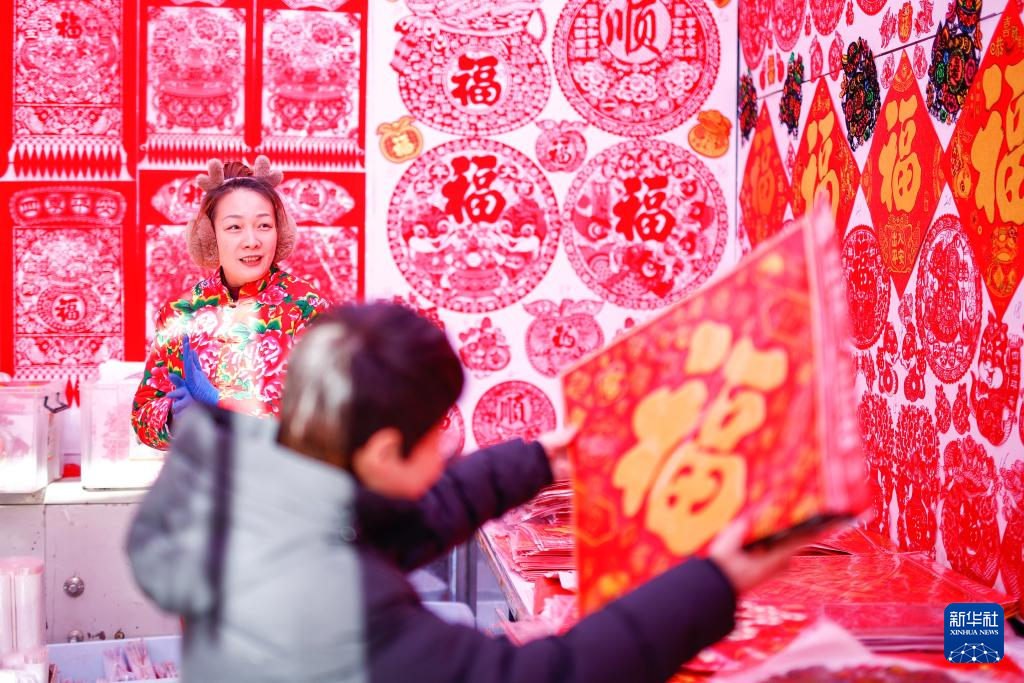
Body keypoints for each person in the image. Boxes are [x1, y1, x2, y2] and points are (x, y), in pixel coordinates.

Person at [127, 302, 831, 683]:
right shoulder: (339, 609)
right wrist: (715, 581)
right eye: (436, 431)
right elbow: (549, 676)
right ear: (384, 453)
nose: (448, 443)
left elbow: (406, 523)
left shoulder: (266, 491)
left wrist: (541, 460)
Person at [131, 156, 328, 450]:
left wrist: (222, 405)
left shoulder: (307, 308)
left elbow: (328, 419)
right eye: (234, 227)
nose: (251, 240)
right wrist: (173, 417)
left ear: (280, 232)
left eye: (264, 225)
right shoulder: (179, 314)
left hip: (280, 477)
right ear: (209, 237)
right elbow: (142, 417)